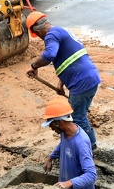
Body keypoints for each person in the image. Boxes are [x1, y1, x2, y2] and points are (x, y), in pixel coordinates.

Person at [25, 12, 101, 149]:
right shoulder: (61, 31)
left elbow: (49, 54)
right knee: (78, 114)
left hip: (81, 81)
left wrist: (34, 66)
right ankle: (86, 144)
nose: (42, 38)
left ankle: (90, 147)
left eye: (39, 35)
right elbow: (67, 60)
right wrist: (61, 83)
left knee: (76, 117)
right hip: (88, 78)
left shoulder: (50, 35)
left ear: (37, 30)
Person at [41, 97, 97, 189]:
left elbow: (91, 175)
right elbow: (63, 145)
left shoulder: (81, 143)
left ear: (59, 122)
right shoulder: (65, 133)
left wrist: (68, 183)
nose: (50, 128)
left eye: (50, 124)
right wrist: (50, 158)